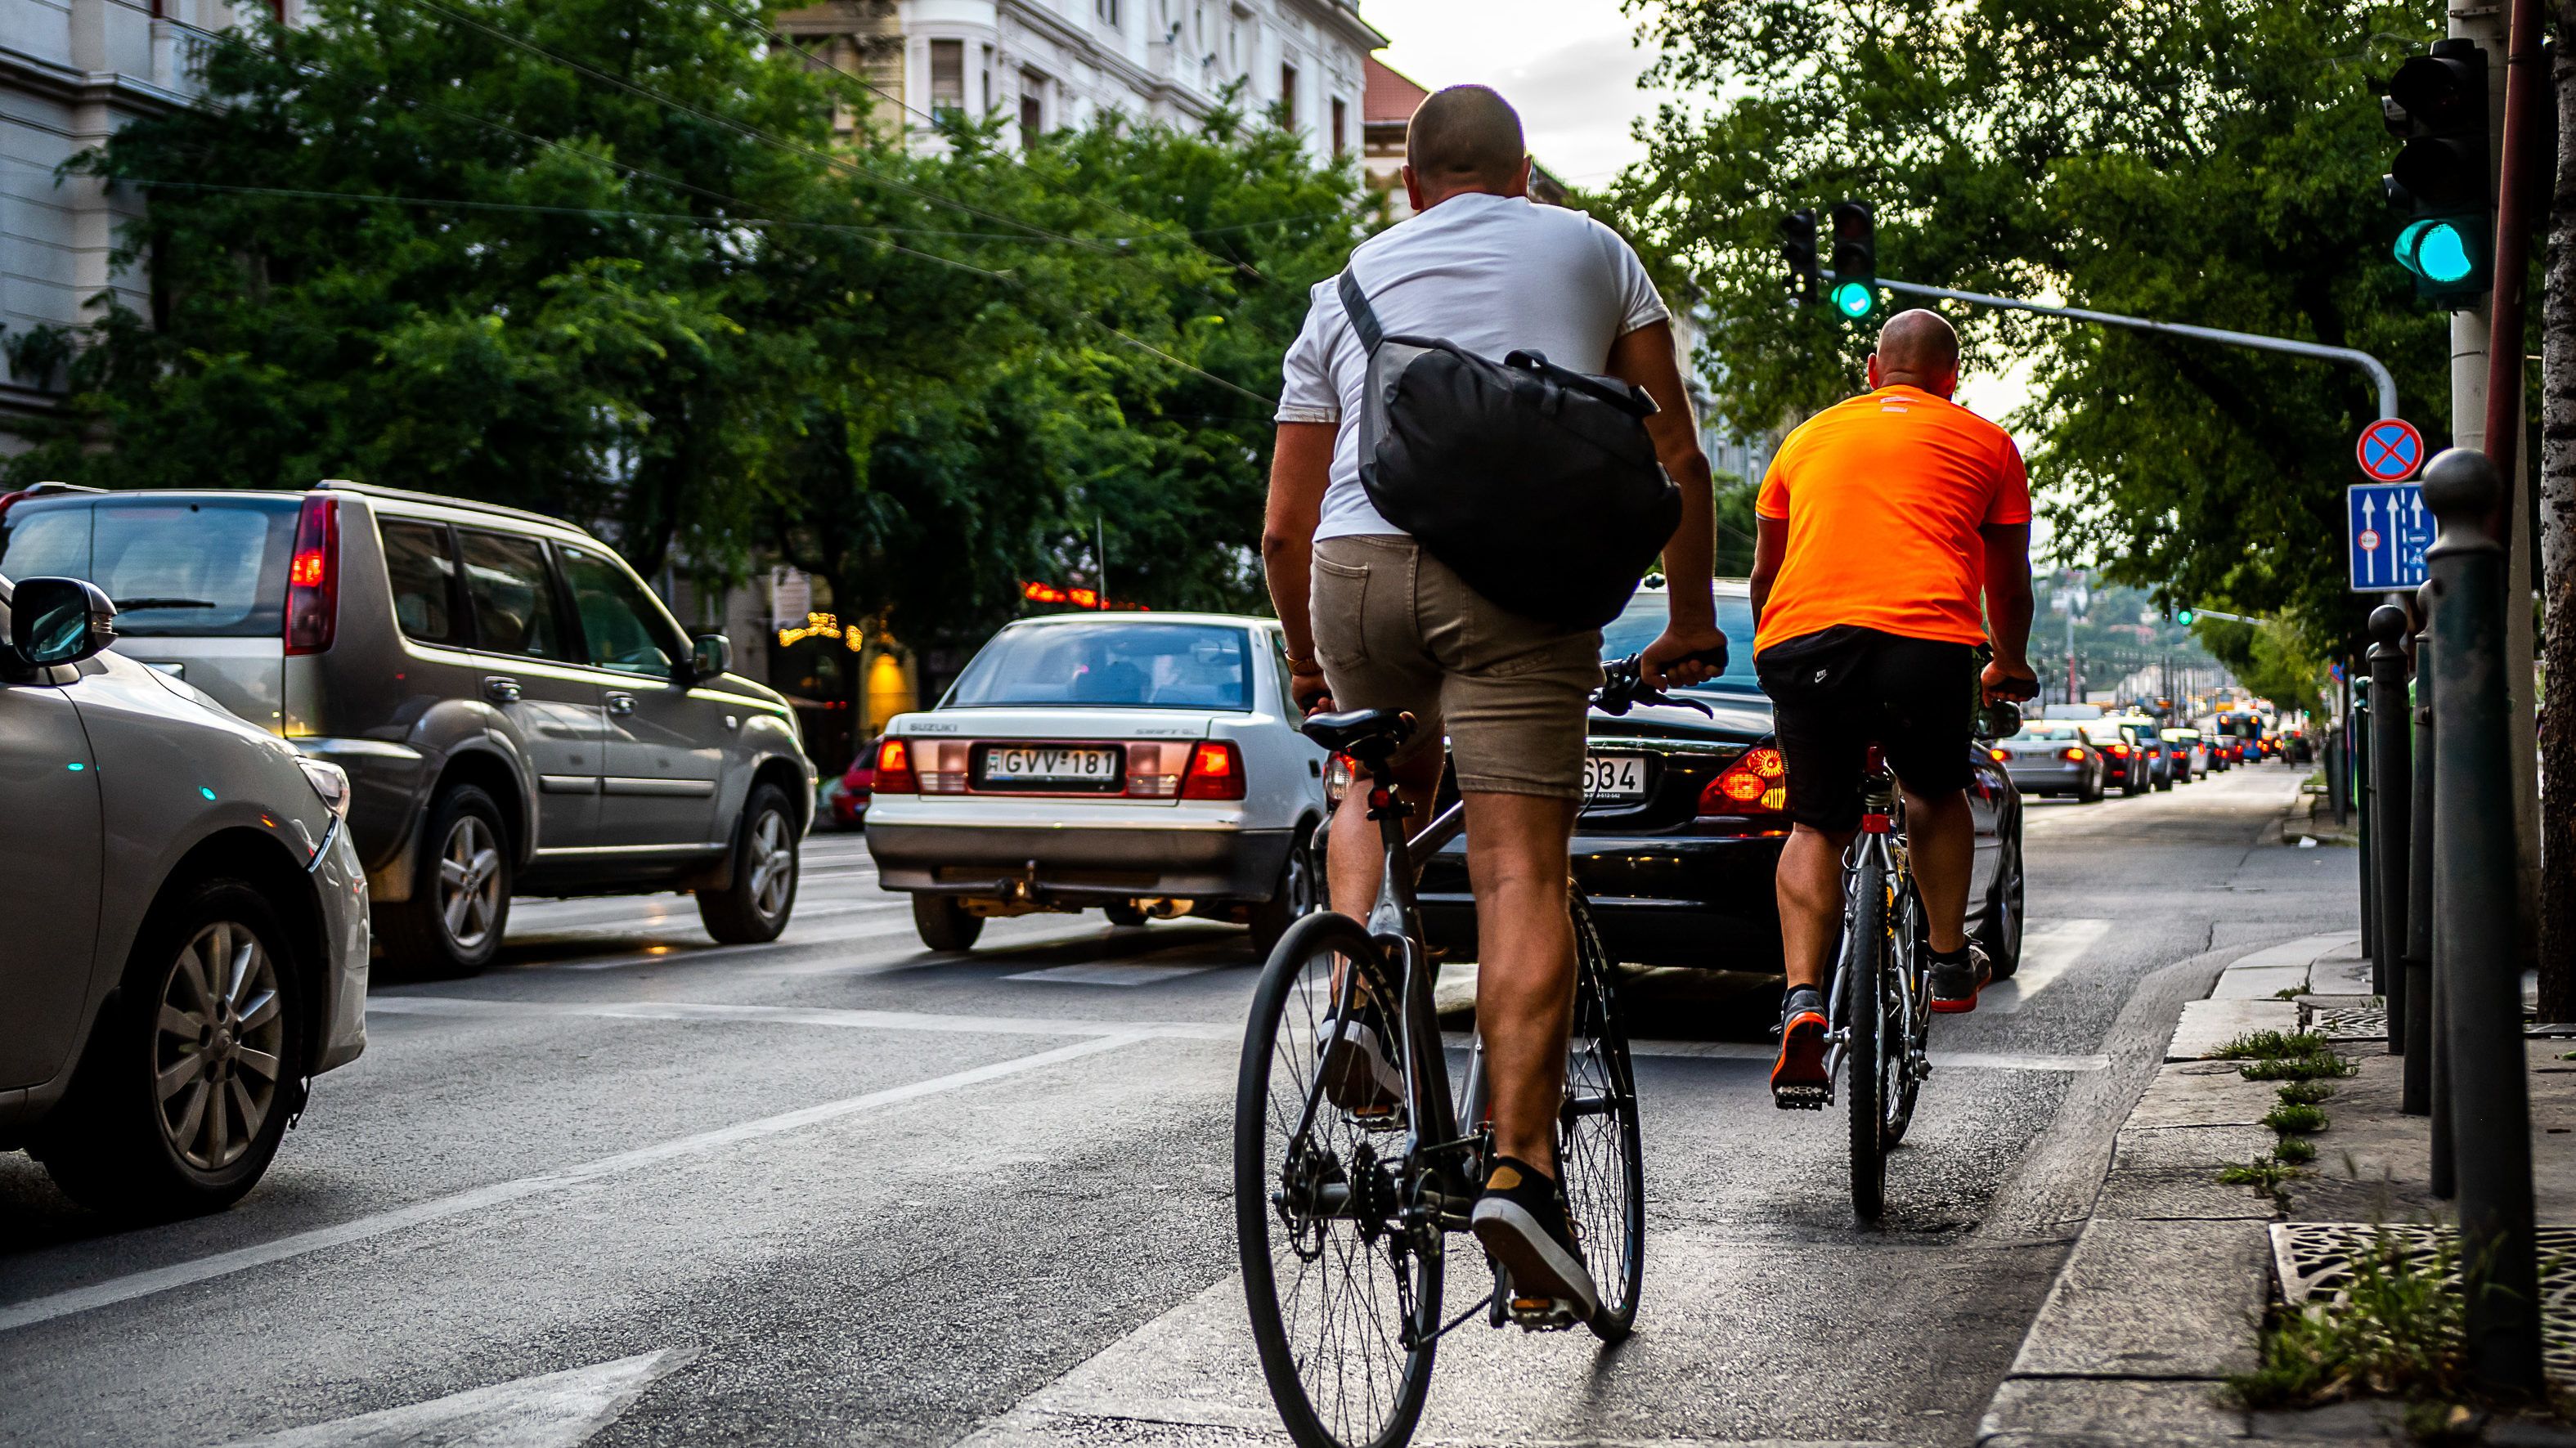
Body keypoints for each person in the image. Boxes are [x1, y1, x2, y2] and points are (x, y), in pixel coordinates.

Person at [1262, 84, 1724, 1316]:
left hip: (1354, 572)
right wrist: (1687, 618)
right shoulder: (1595, 250)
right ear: (1522, 175)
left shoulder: (1344, 286)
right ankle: (1520, 1172)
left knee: (1372, 775)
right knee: (1520, 871)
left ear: (1411, 185)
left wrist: (1311, 666)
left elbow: (1280, 523)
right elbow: (1675, 456)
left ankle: (1357, 987)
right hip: (1520, 586)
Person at [1748, 310, 2038, 1103]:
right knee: (1933, 791)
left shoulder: (1805, 439)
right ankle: (1947, 957)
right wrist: (2007, 661)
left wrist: (1776, 643)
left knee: (1816, 822)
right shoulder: (1987, 443)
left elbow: (1765, 576)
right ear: (1951, 377)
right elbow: (2007, 583)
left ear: (1873, 369)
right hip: (1926, 645)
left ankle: (1804, 999)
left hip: (1804, 646)